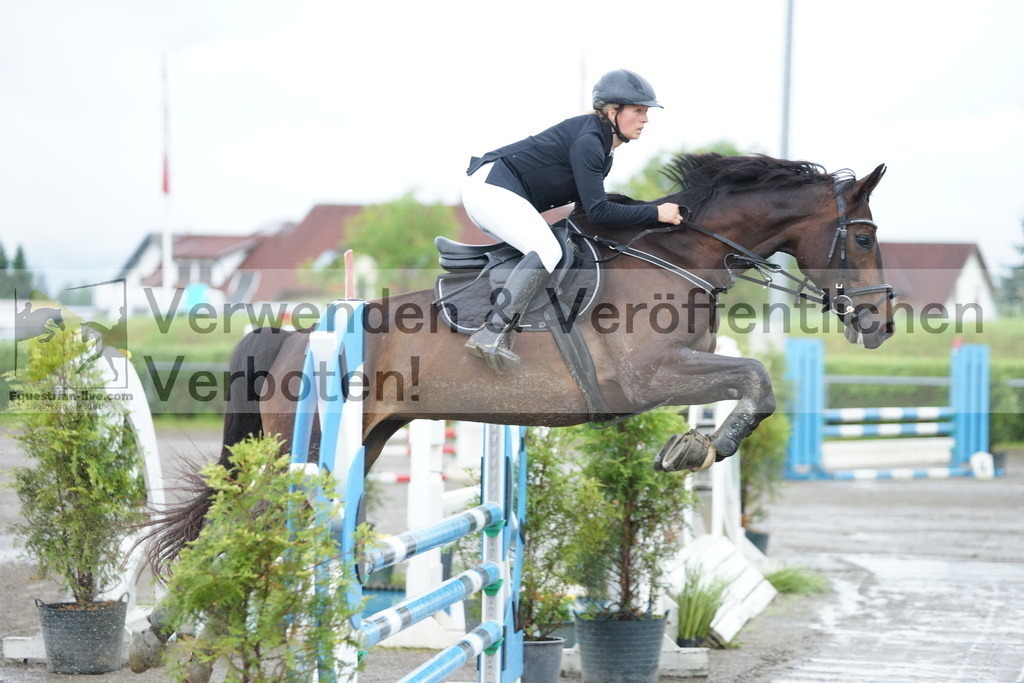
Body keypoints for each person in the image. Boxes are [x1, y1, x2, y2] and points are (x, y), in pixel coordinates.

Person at [460, 68, 683, 373]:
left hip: (495, 191)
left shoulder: (603, 148)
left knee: (558, 248)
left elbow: (587, 214)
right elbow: (598, 212)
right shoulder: (590, 142)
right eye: (639, 111)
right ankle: (491, 331)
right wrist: (655, 213)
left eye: (646, 112)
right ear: (612, 112)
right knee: (548, 251)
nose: (646, 119)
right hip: (490, 188)